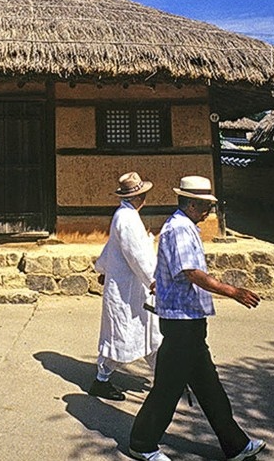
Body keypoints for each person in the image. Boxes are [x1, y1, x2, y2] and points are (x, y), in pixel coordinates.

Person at [127, 175, 265, 461]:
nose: (208, 212)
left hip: (189, 318)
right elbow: (192, 272)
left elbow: (173, 270)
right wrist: (232, 291)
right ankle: (142, 443)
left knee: (208, 386)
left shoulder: (185, 226)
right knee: (168, 388)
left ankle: (236, 445)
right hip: (181, 321)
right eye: (204, 206)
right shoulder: (179, 229)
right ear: (190, 204)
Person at [89, 171, 163, 402]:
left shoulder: (123, 215)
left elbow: (112, 248)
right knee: (123, 336)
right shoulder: (128, 219)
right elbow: (137, 255)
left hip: (131, 287)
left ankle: (165, 380)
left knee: (152, 334)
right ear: (140, 198)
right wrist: (154, 281)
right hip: (127, 290)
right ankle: (101, 381)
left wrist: (103, 269)